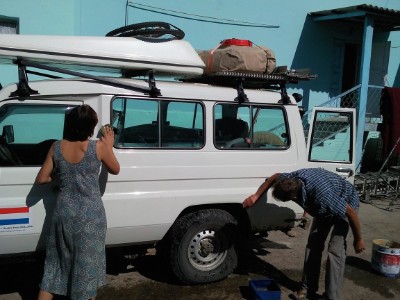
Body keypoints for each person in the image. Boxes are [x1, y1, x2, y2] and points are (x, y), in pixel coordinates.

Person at [36, 104, 120, 300]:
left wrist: (60, 178)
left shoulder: (56, 146)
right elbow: (115, 169)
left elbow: (41, 179)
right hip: (90, 217)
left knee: (54, 268)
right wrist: (108, 145)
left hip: (63, 213)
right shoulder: (97, 147)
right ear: (91, 127)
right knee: (86, 269)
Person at [243, 168, 365, 300]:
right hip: (325, 209)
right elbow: (275, 176)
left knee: (335, 250)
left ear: (294, 196)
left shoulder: (322, 195)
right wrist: (256, 195)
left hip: (347, 204)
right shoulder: (290, 179)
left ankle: (331, 297)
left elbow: (350, 212)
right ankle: (308, 287)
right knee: (313, 245)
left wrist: (358, 239)